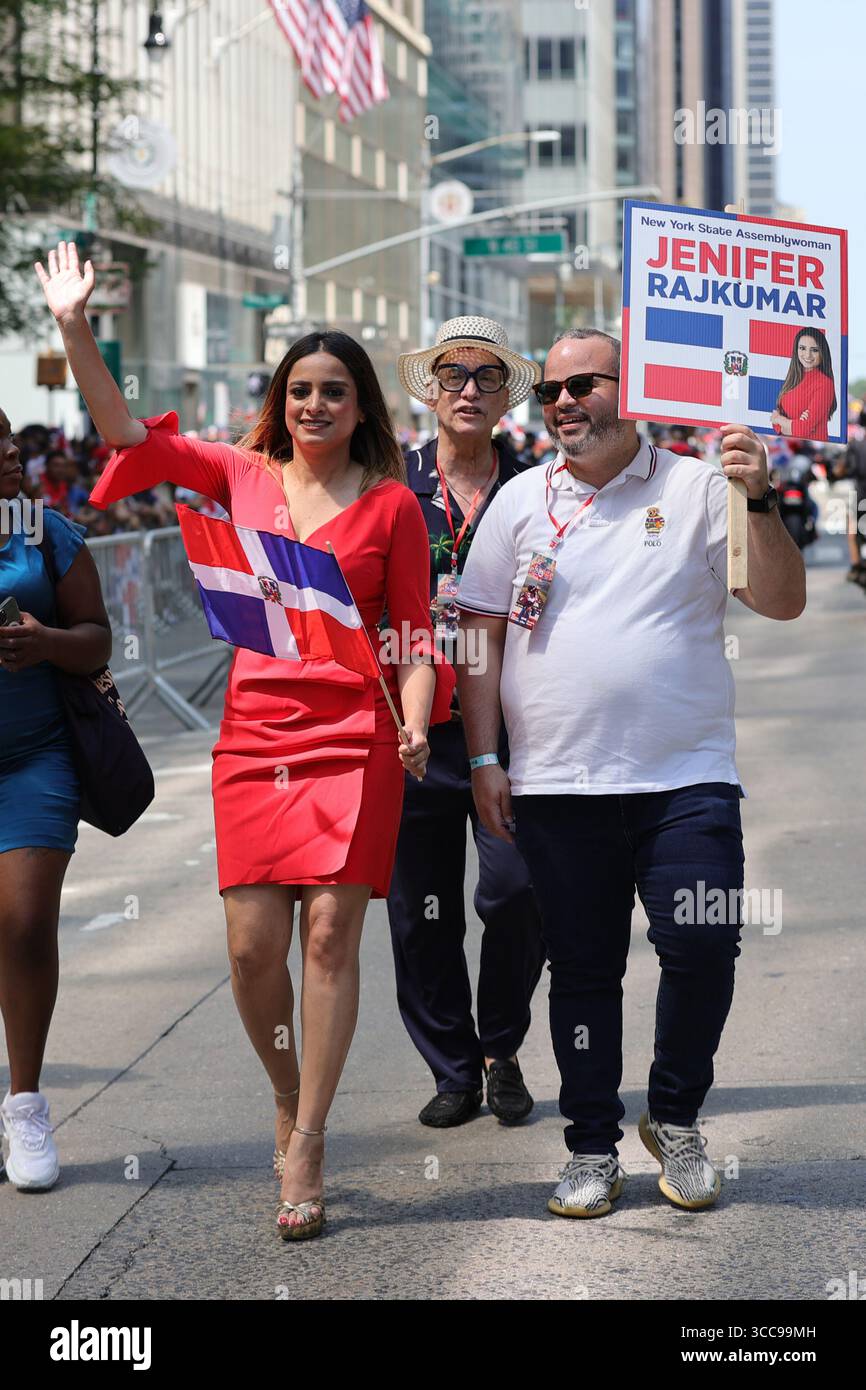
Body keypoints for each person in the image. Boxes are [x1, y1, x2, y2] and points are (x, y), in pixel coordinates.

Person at [35, 241, 454, 1241]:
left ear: (361, 409)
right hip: (256, 737)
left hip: (355, 738)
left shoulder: (392, 504)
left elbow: (411, 632)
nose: (314, 405)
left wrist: (414, 717)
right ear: (283, 399)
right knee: (251, 945)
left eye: (334, 392)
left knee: (326, 936)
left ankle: (306, 1137)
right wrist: (73, 326)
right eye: (300, 390)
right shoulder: (238, 473)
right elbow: (123, 429)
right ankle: (283, 1087)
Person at [455, 327, 806, 1219]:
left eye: (585, 384)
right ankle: (590, 1146)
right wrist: (487, 757)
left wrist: (757, 497)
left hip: (686, 779)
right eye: (551, 392)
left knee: (702, 945)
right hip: (559, 787)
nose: (565, 402)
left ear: (636, 387)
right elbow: (480, 637)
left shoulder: (700, 484)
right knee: (581, 971)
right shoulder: (520, 500)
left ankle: (677, 1117)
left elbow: (781, 600)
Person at [389, 317, 546, 1128]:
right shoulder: (389, 483)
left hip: (514, 724)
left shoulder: (541, 488)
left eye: (488, 378)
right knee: (422, 910)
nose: (470, 392)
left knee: (517, 892)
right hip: (413, 726)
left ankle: (501, 1047)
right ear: (431, 388)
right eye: (455, 376)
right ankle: (452, 1069)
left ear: (507, 394)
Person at [0, 407, 112, 1190]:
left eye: (9, 437)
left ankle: (27, 1104)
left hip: (37, 758)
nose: (10, 450)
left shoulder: (43, 532)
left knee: (26, 919)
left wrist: (43, 643)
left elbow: (99, 638)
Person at [771, 329, 837, 442]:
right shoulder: (793, 378)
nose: (807, 355)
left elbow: (802, 430)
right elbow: (775, 426)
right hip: (788, 447)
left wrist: (780, 420)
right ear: (796, 350)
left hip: (811, 451)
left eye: (814, 350)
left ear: (822, 352)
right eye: (802, 348)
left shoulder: (825, 383)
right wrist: (793, 424)